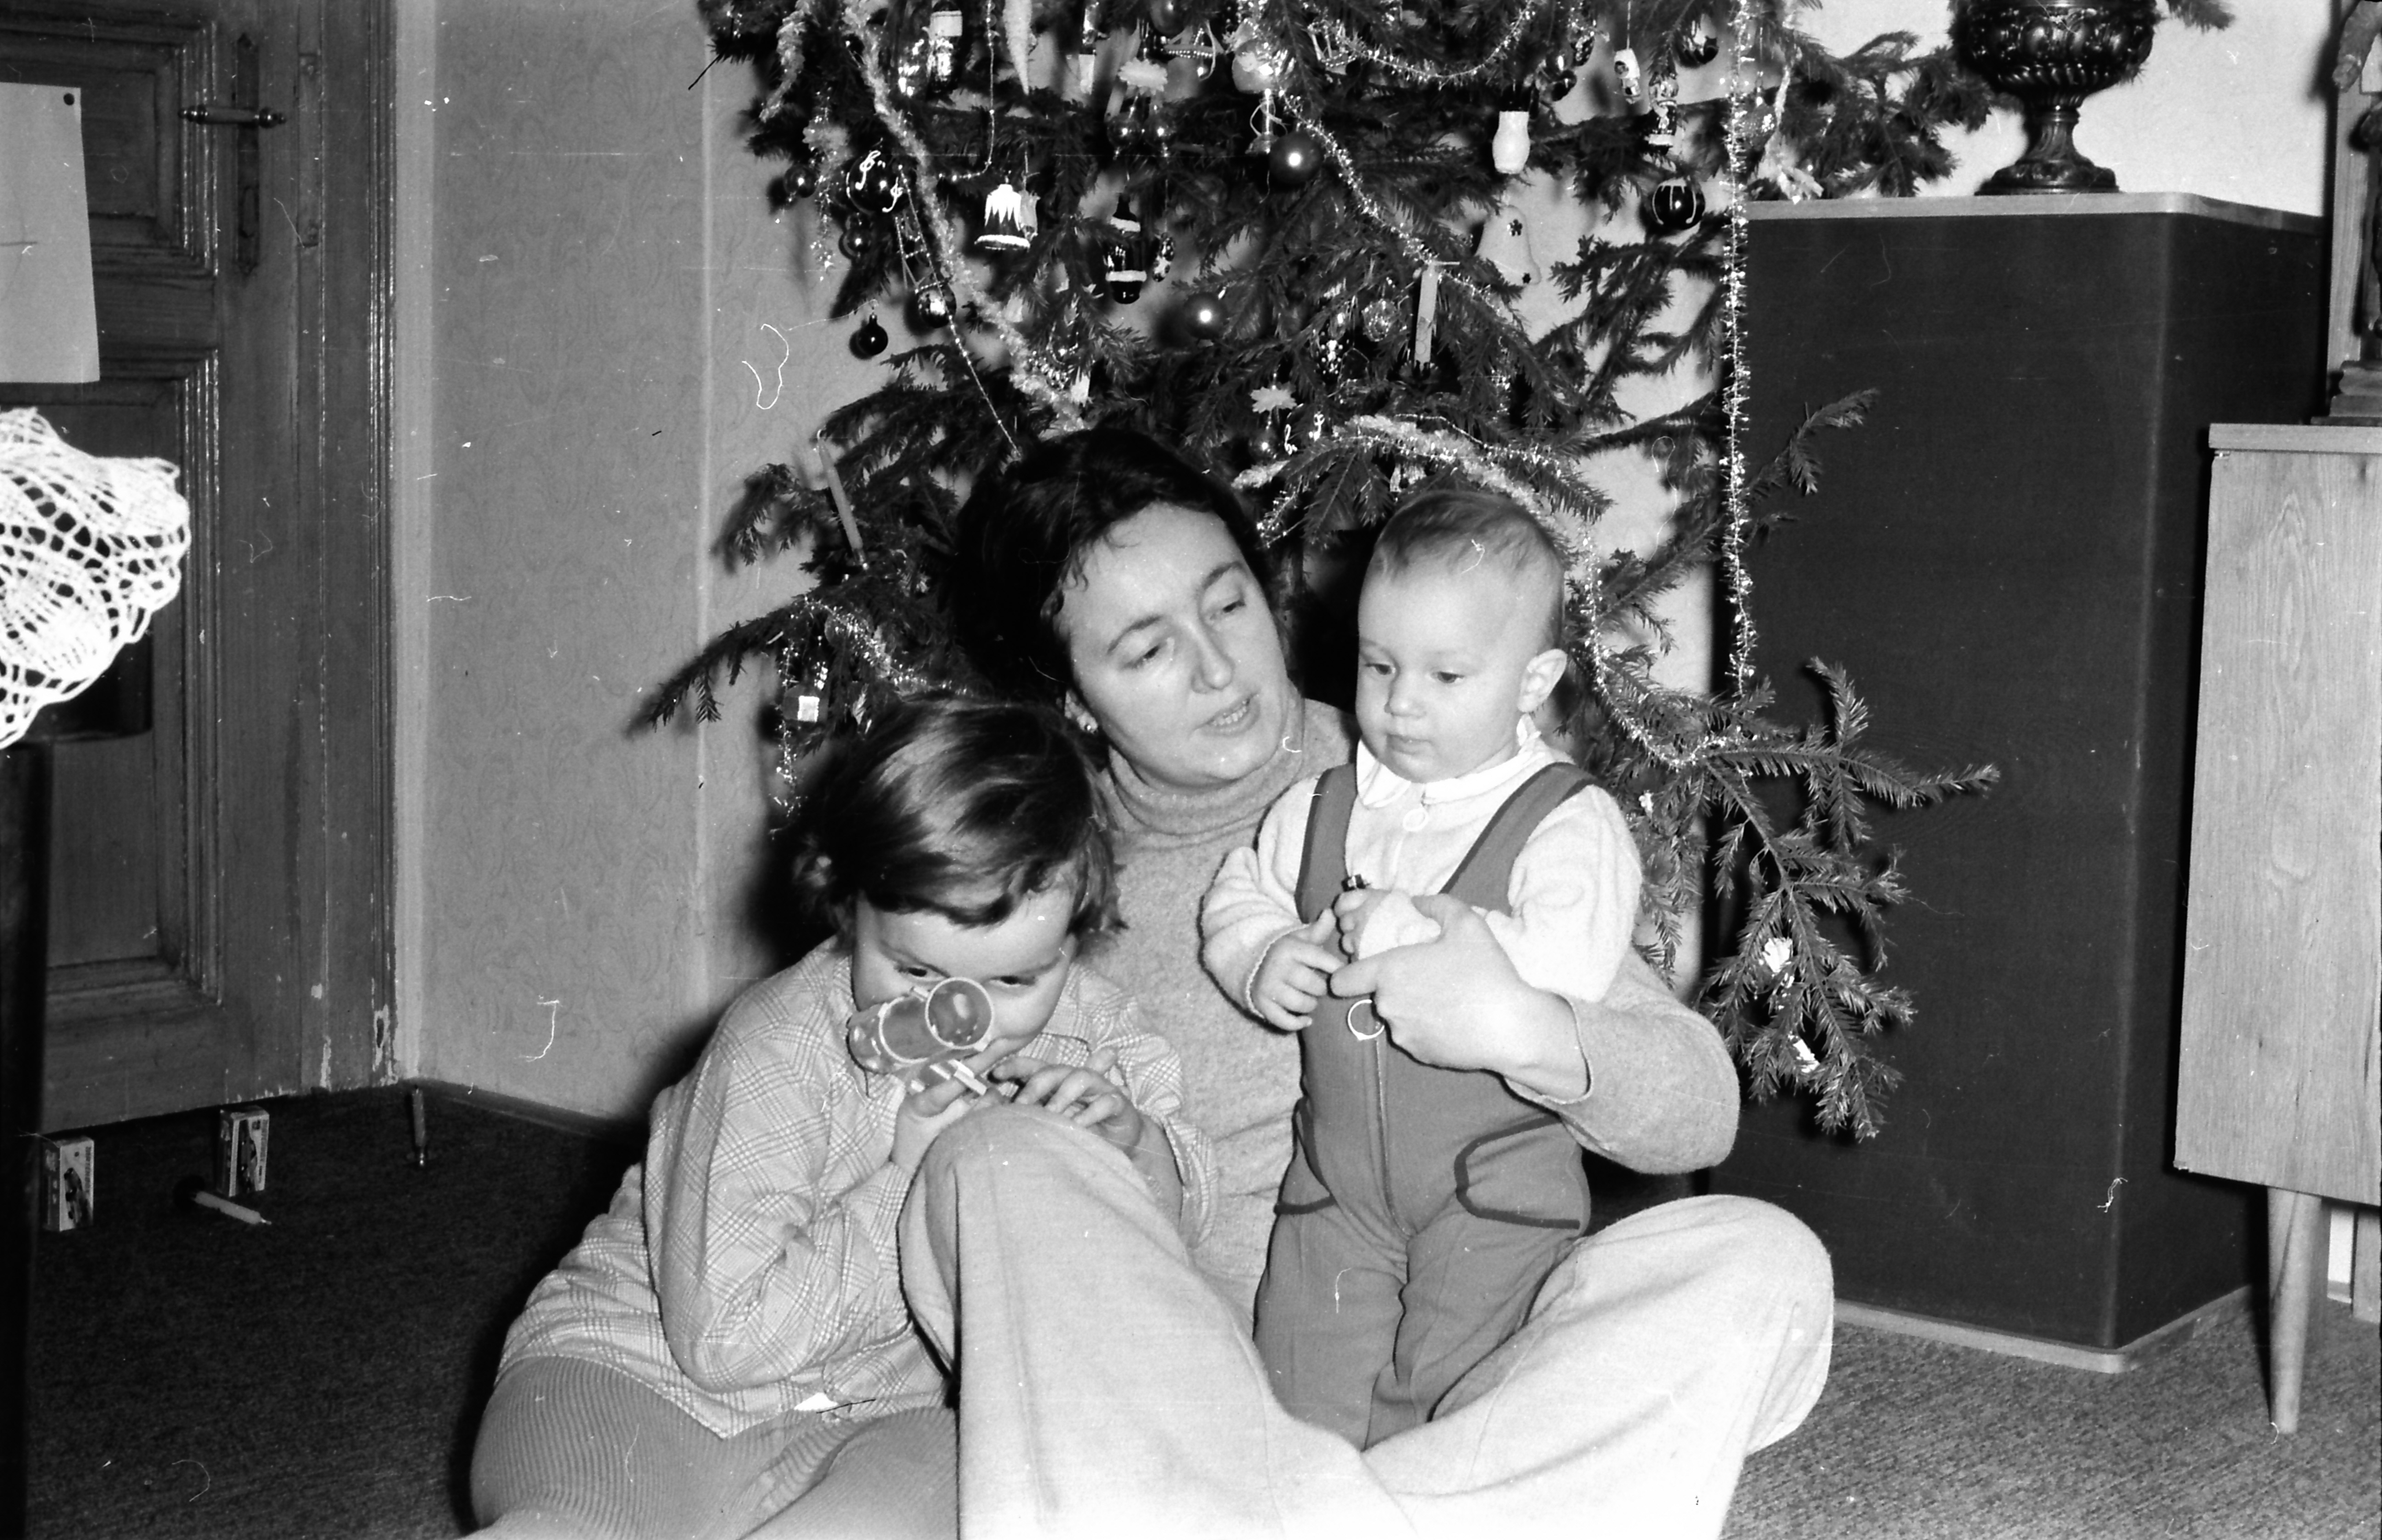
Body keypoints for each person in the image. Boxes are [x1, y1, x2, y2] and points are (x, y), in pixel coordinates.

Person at [908, 426, 1833, 1537]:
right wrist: (1123, 1161)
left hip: (1470, 1341)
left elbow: (1696, 1110)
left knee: (1760, 1264)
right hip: (1198, 1372)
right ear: (1069, 696)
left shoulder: (1445, 778)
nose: (1217, 668)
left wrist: (1530, 1031)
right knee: (984, 1164)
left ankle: (1334, 1517)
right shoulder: (1025, 875)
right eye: (1147, 650)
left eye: (1228, 605)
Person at [468, 695, 1213, 1540]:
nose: (966, 1018)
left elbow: (1179, 1234)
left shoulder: (1096, 1035)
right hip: (637, 1379)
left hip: (867, 1418)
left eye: (1013, 981)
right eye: (915, 971)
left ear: (1077, 935)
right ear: (848, 905)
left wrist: (1137, 1149)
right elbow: (725, 1339)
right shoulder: (775, 1047)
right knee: (578, 1524)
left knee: (985, 1480)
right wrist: (904, 1180)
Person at [1200, 488, 1645, 1447]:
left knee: (1451, 1405)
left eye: (1446, 675)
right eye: (1379, 664)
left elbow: (1573, 966)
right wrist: (1260, 953)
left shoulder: (1566, 819)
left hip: (1493, 1189)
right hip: (1335, 1187)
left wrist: (1422, 930)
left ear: (1532, 682)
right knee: (1296, 1401)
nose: (1401, 701)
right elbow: (1239, 894)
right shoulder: (1321, 804)